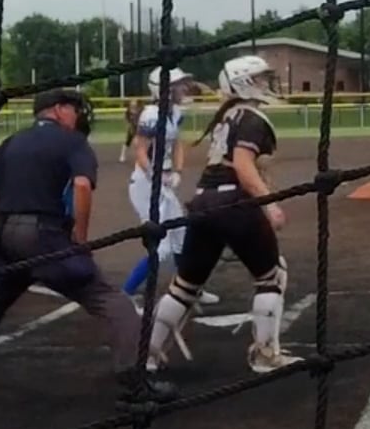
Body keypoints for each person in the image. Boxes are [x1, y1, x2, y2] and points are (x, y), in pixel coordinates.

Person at [0, 87, 175, 404]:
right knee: (112, 302)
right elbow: (82, 186)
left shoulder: (11, 142)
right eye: (74, 109)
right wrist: (80, 239)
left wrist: (3, 224)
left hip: (7, 237)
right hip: (47, 237)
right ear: (58, 110)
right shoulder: (72, 142)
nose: (79, 115)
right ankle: (134, 382)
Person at [145, 55, 302, 375]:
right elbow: (243, 166)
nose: (266, 83)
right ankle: (265, 354)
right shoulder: (251, 118)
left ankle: (147, 353)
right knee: (272, 276)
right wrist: (270, 204)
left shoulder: (227, 115)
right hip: (234, 202)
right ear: (244, 82)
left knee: (185, 286)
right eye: (259, 78)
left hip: (204, 202)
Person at [123, 66, 219, 307]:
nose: (183, 88)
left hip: (163, 181)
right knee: (162, 247)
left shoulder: (174, 112)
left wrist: (177, 171)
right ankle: (125, 294)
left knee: (181, 238)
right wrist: (156, 176)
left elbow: (176, 144)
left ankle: (189, 288)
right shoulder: (151, 115)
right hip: (146, 185)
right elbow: (141, 151)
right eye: (178, 84)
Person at [118, 98, 141, 163]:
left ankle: (139, 156)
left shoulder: (139, 111)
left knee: (139, 143)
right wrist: (129, 127)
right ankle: (122, 155)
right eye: (132, 105)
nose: (133, 106)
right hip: (131, 128)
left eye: (134, 105)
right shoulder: (128, 112)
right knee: (128, 142)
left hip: (138, 128)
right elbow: (126, 120)